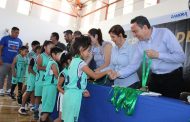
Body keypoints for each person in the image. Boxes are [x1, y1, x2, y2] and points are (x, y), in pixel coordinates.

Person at [110, 16, 185, 99]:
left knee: (171, 108)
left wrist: (158, 55)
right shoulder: (140, 44)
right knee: (151, 104)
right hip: (155, 78)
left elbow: (181, 57)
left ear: (145, 27)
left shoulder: (164, 33)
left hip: (172, 77)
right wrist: (117, 74)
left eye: (135, 31)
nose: (134, 35)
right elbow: (133, 65)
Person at [61, 36, 111, 122]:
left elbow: (76, 79)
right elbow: (94, 76)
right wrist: (107, 71)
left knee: (68, 119)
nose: (89, 53)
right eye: (88, 50)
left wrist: (82, 90)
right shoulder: (80, 63)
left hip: (69, 94)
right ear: (81, 49)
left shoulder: (73, 60)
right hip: (74, 96)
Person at [40, 47, 63, 122]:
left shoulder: (51, 62)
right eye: (59, 54)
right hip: (50, 87)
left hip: (47, 86)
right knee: (47, 109)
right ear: (53, 54)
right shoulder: (53, 63)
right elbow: (57, 75)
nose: (60, 56)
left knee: (47, 107)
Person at [34, 41, 54, 120]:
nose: (52, 49)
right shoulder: (40, 56)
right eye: (50, 48)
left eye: (53, 48)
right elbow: (39, 67)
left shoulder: (52, 57)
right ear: (45, 47)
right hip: (40, 80)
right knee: (38, 96)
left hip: (48, 80)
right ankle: (36, 110)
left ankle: (44, 112)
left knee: (46, 96)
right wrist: (49, 68)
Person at [18, 46, 41, 115]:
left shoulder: (40, 58)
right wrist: (36, 74)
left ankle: (32, 105)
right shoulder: (33, 59)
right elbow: (29, 69)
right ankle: (22, 107)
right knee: (28, 92)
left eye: (41, 49)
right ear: (36, 50)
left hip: (36, 78)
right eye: (39, 49)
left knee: (33, 92)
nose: (40, 51)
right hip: (31, 78)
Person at [0, 27, 23, 96]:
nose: (17, 34)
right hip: (5, 61)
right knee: (2, 75)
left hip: (14, 63)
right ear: (12, 32)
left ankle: (8, 90)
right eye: (16, 32)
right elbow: (0, 48)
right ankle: (0, 89)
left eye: (18, 33)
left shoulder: (19, 41)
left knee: (11, 77)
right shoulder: (5, 38)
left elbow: (20, 52)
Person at [57, 52, 72, 122]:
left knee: (67, 118)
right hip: (63, 95)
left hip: (70, 95)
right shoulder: (64, 72)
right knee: (61, 118)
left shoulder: (73, 70)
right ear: (68, 61)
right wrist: (65, 93)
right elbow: (58, 86)